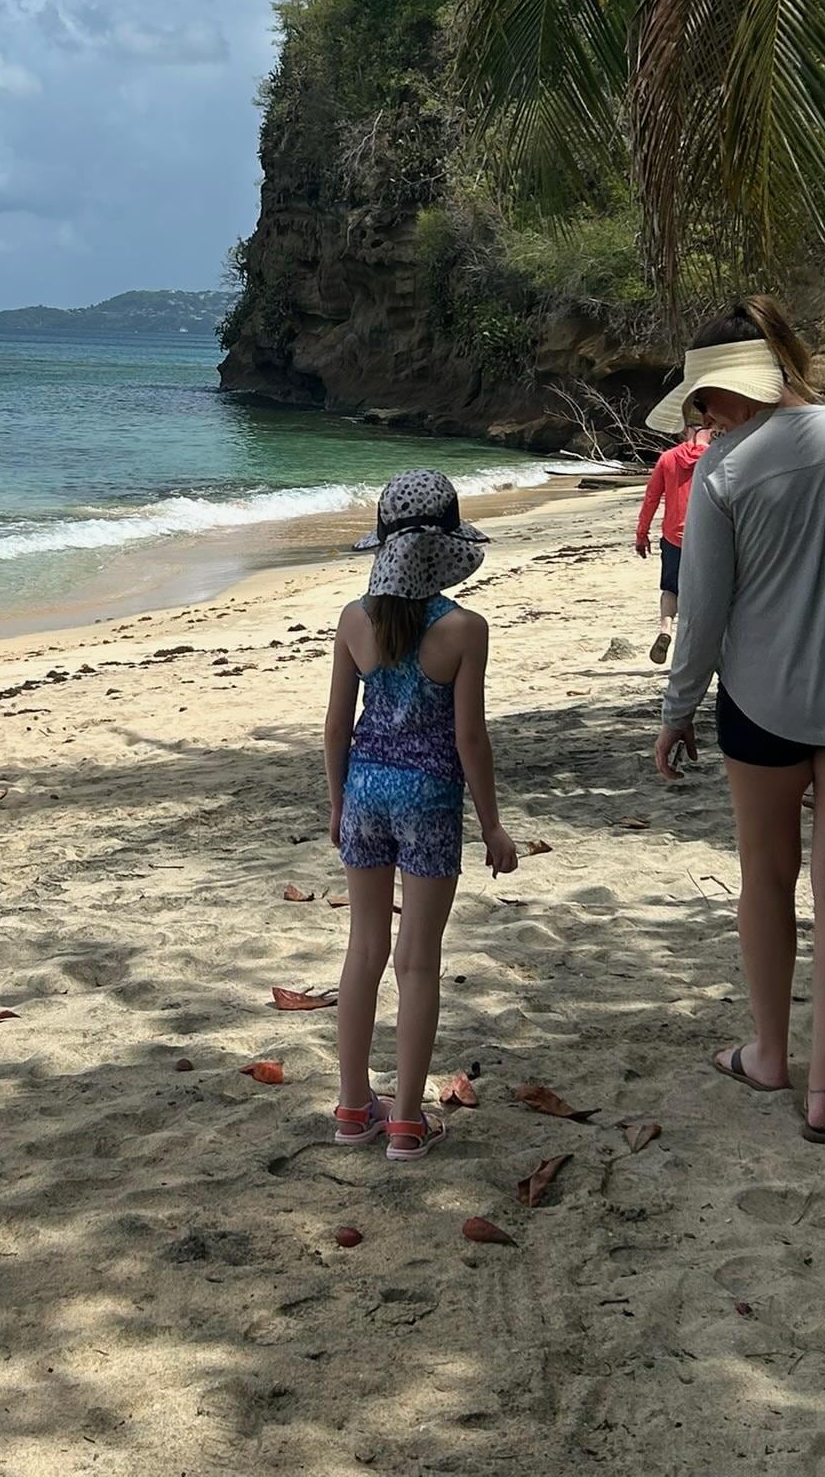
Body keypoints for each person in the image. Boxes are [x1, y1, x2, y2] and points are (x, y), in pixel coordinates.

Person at [648, 297, 825, 1144]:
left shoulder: (725, 473)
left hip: (761, 703)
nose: (707, 417)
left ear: (731, 389)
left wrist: (676, 711)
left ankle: (769, 1053)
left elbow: (701, 612)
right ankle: (824, 1091)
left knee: (766, 881)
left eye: (707, 400)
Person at [324, 469, 518, 1160]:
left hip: (367, 793)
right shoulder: (465, 629)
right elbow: (470, 738)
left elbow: (336, 729)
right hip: (430, 799)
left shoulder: (355, 620)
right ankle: (405, 1119)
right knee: (418, 962)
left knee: (364, 951)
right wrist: (492, 823)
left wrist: (337, 802)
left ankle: (353, 1107)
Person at [634, 422, 711, 664]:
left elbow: (651, 498)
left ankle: (666, 629)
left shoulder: (667, 458)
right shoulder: (718, 456)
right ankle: (698, 645)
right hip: (708, 536)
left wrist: (641, 533)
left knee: (671, 588)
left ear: (686, 429)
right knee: (706, 592)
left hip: (673, 537)